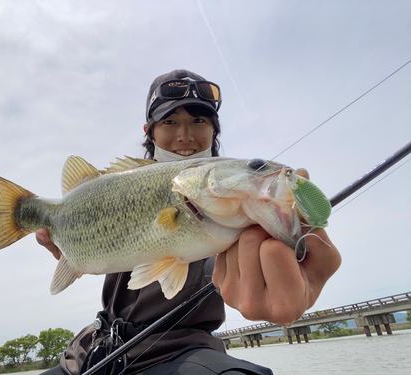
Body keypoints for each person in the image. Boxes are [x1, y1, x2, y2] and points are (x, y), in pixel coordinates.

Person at [36, 69, 342, 375]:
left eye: (199, 120)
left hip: (183, 355)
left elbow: (217, 264)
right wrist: (73, 252)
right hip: (92, 351)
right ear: (150, 131)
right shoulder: (121, 188)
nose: (185, 135)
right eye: (170, 122)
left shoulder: (242, 215)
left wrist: (294, 251)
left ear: (214, 131)